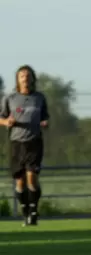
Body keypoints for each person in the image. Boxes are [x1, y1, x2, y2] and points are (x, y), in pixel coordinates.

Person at [0, 65, 49, 227]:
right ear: (18, 79)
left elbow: (45, 117)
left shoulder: (39, 98)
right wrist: (7, 122)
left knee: (32, 178)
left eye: (28, 76)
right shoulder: (10, 98)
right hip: (16, 143)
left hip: (34, 141)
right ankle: (25, 210)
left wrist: (45, 123)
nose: (25, 78)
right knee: (20, 182)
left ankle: (34, 212)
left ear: (33, 78)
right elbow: (1, 118)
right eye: (22, 76)